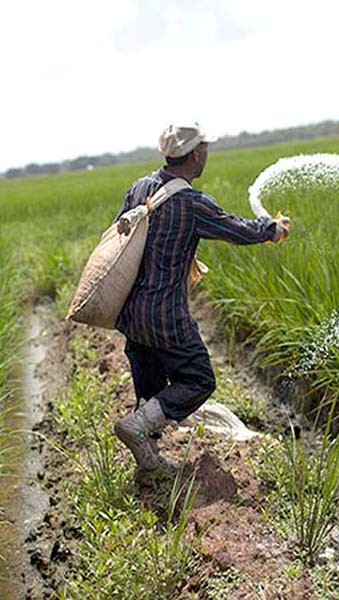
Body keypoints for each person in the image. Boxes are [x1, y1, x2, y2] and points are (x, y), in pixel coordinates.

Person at [114, 123, 289, 472]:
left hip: (132, 315)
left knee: (150, 390)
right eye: (205, 148)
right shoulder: (191, 203)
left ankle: (147, 462)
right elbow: (237, 229)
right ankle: (137, 426)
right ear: (195, 154)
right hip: (166, 316)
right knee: (198, 380)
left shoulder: (139, 189)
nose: (206, 153)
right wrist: (273, 229)